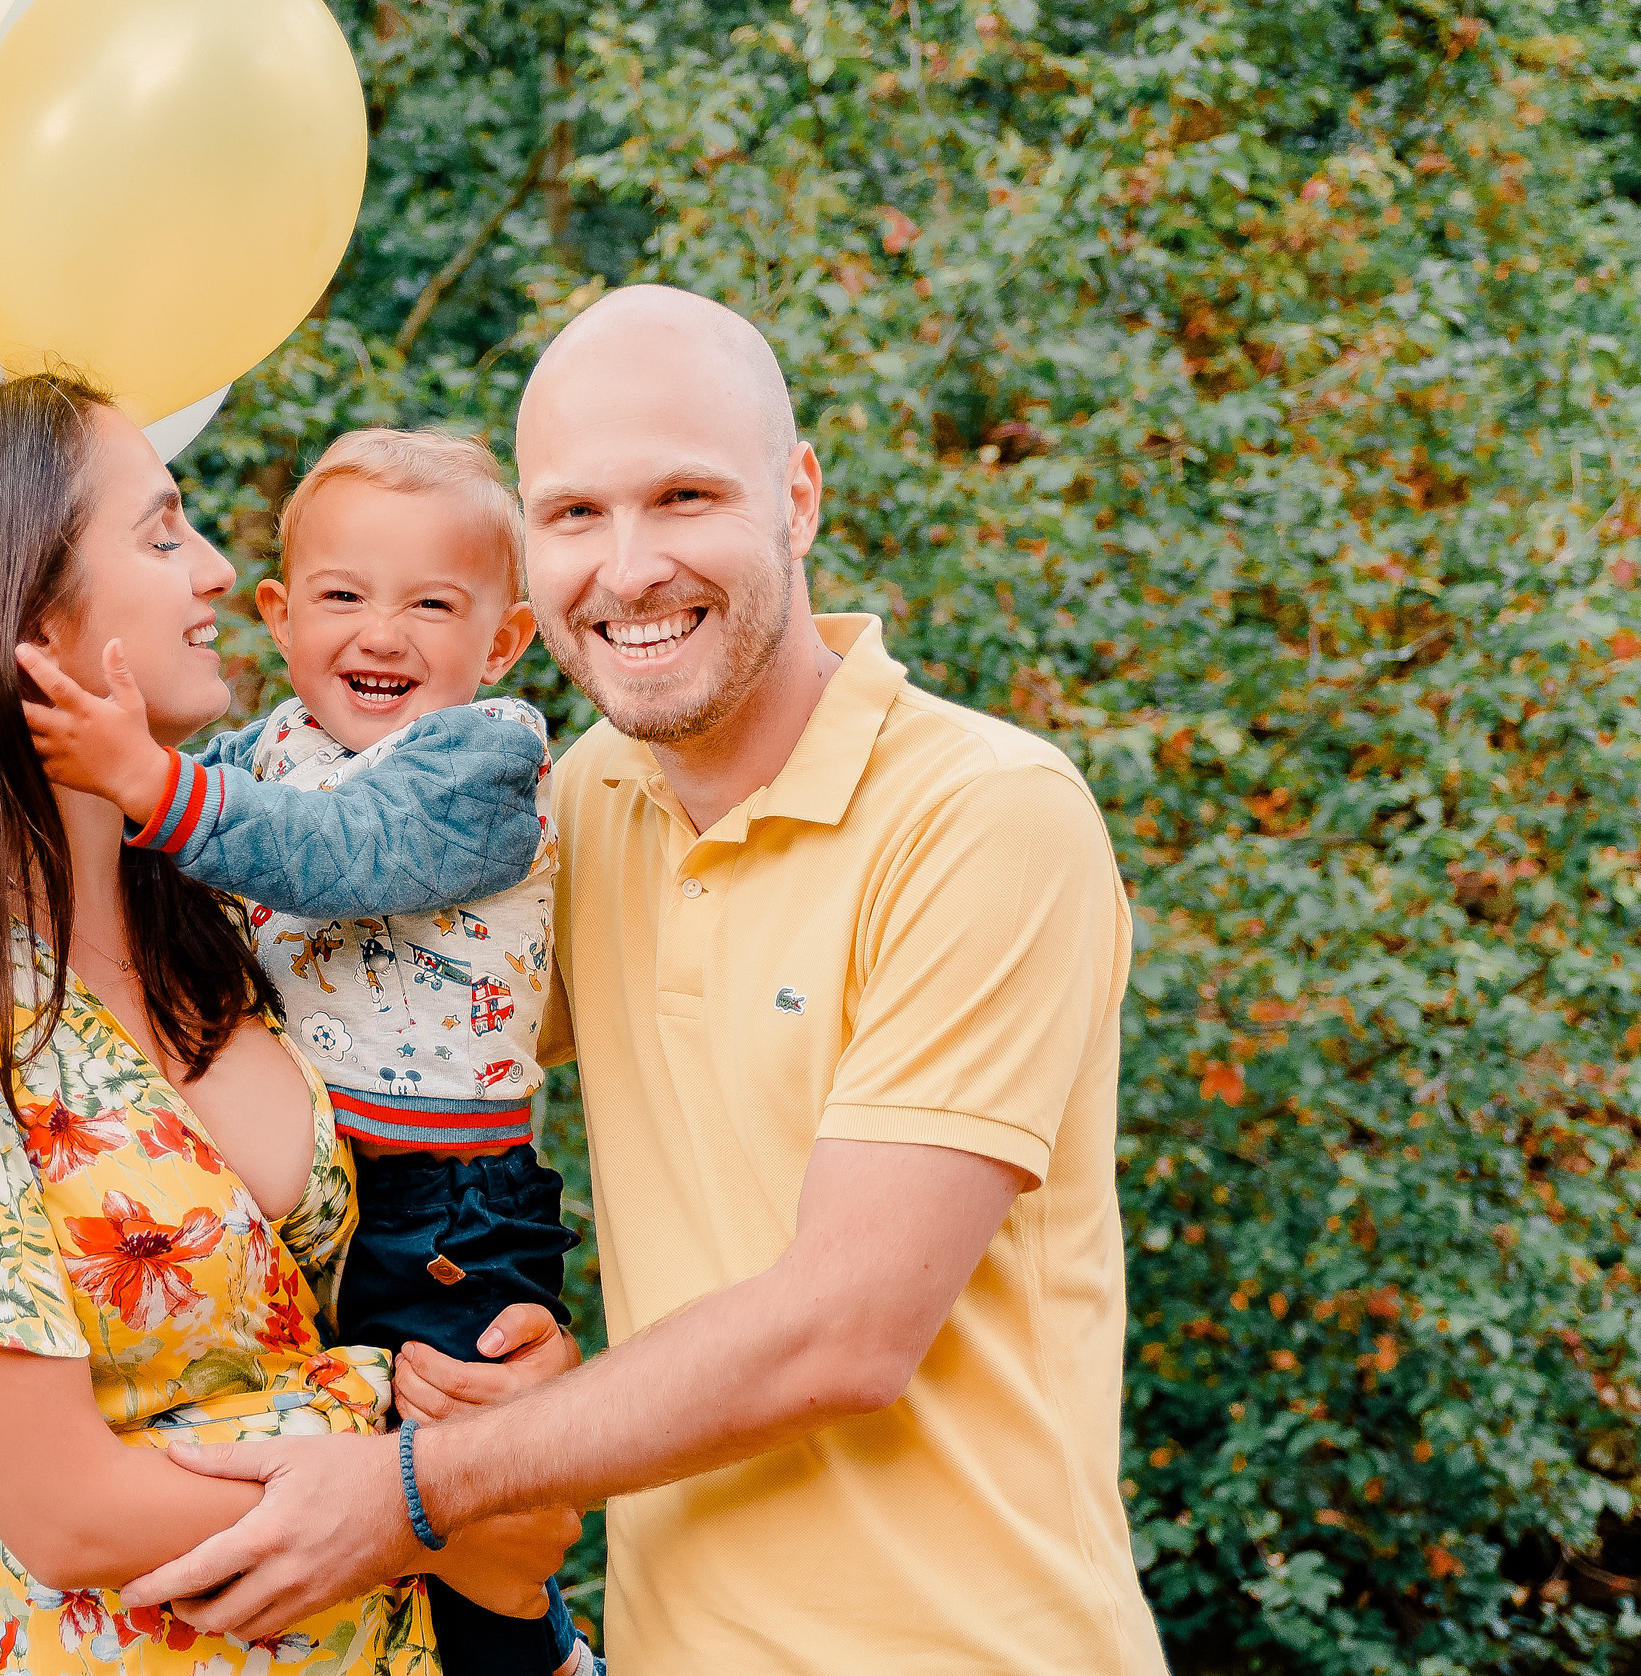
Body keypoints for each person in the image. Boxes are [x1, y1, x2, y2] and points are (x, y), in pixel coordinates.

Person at [120, 287, 1171, 1675]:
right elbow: (373, 1057)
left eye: (684, 497)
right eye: (572, 515)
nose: (626, 570)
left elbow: (840, 1334)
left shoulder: (982, 814)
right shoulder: (584, 803)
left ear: (797, 498)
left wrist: (420, 1489)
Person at [0, 375, 577, 1674]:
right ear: (22, 607)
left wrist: (511, 1401)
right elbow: (70, 1515)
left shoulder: (226, 924)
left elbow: (361, 1308)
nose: (225, 573)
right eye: (165, 531)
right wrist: (450, 1493)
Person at [17, 428, 591, 1676]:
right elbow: (162, 836)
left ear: (501, 641)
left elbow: (339, 855)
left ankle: (539, 1660)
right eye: (342, 596)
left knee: (467, 1490)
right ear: (280, 617)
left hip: (446, 1202)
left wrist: (143, 777)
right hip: (330, 1183)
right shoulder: (268, 748)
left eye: (431, 605)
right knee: (345, 1443)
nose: (380, 634)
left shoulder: (482, 757)